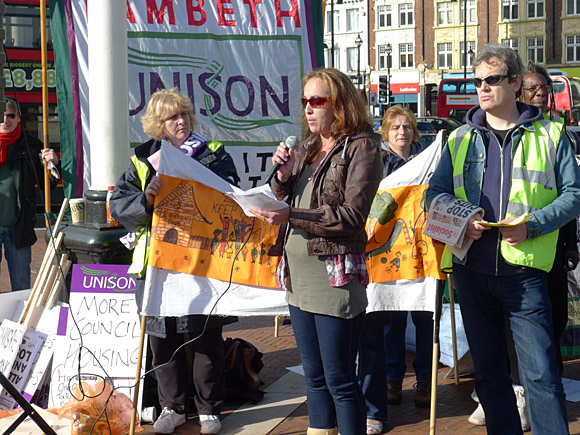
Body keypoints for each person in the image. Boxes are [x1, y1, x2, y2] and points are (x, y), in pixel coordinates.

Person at [426, 43, 580, 434]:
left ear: (514, 83)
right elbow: (434, 194)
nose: (482, 88)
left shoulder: (551, 134)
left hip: (524, 274)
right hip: (472, 272)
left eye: (492, 79)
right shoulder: (459, 137)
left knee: (541, 378)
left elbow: (574, 195)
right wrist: (463, 219)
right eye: (478, 81)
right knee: (490, 378)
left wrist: (533, 225)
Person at [250, 68, 382, 435]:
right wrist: (283, 175)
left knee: (340, 379)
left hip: (333, 275)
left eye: (317, 101)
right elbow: (283, 197)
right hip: (298, 277)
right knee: (314, 377)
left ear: (340, 103)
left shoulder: (362, 146)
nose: (308, 109)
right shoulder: (308, 147)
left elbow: (352, 217)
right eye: (305, 101)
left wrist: (290, 213)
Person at [110, 88, 240, 434]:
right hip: (158, 263)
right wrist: (146, 200)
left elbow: (231, 192)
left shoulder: (210, 153)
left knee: (205, 336)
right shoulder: (142, 160)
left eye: (183, 114)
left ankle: (209, 407)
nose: (180, 121)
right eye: (172, 117)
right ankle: (173, 406)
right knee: (161, 338)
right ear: (158, 125)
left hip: (201, 260)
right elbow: (119, 206)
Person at [357, 105, 431, 435]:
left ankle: (426, 383)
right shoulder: (380, 163)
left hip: (422, 250)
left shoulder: (427, 161)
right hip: (389, 253)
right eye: (395, 127)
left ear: (413, 131)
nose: (401, 132)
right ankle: (393, 379)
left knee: (425, 318)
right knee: (392, 320)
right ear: (386, 133)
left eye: (406, 127)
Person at [0, 97, 60, 291]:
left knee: (21, 285)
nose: (6, 120)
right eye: (2, 116)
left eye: (11, 115)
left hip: (20, 227)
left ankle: (21, 321)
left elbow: (46, 186)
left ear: (19, 118)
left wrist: (52, 165)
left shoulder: (31, 145)